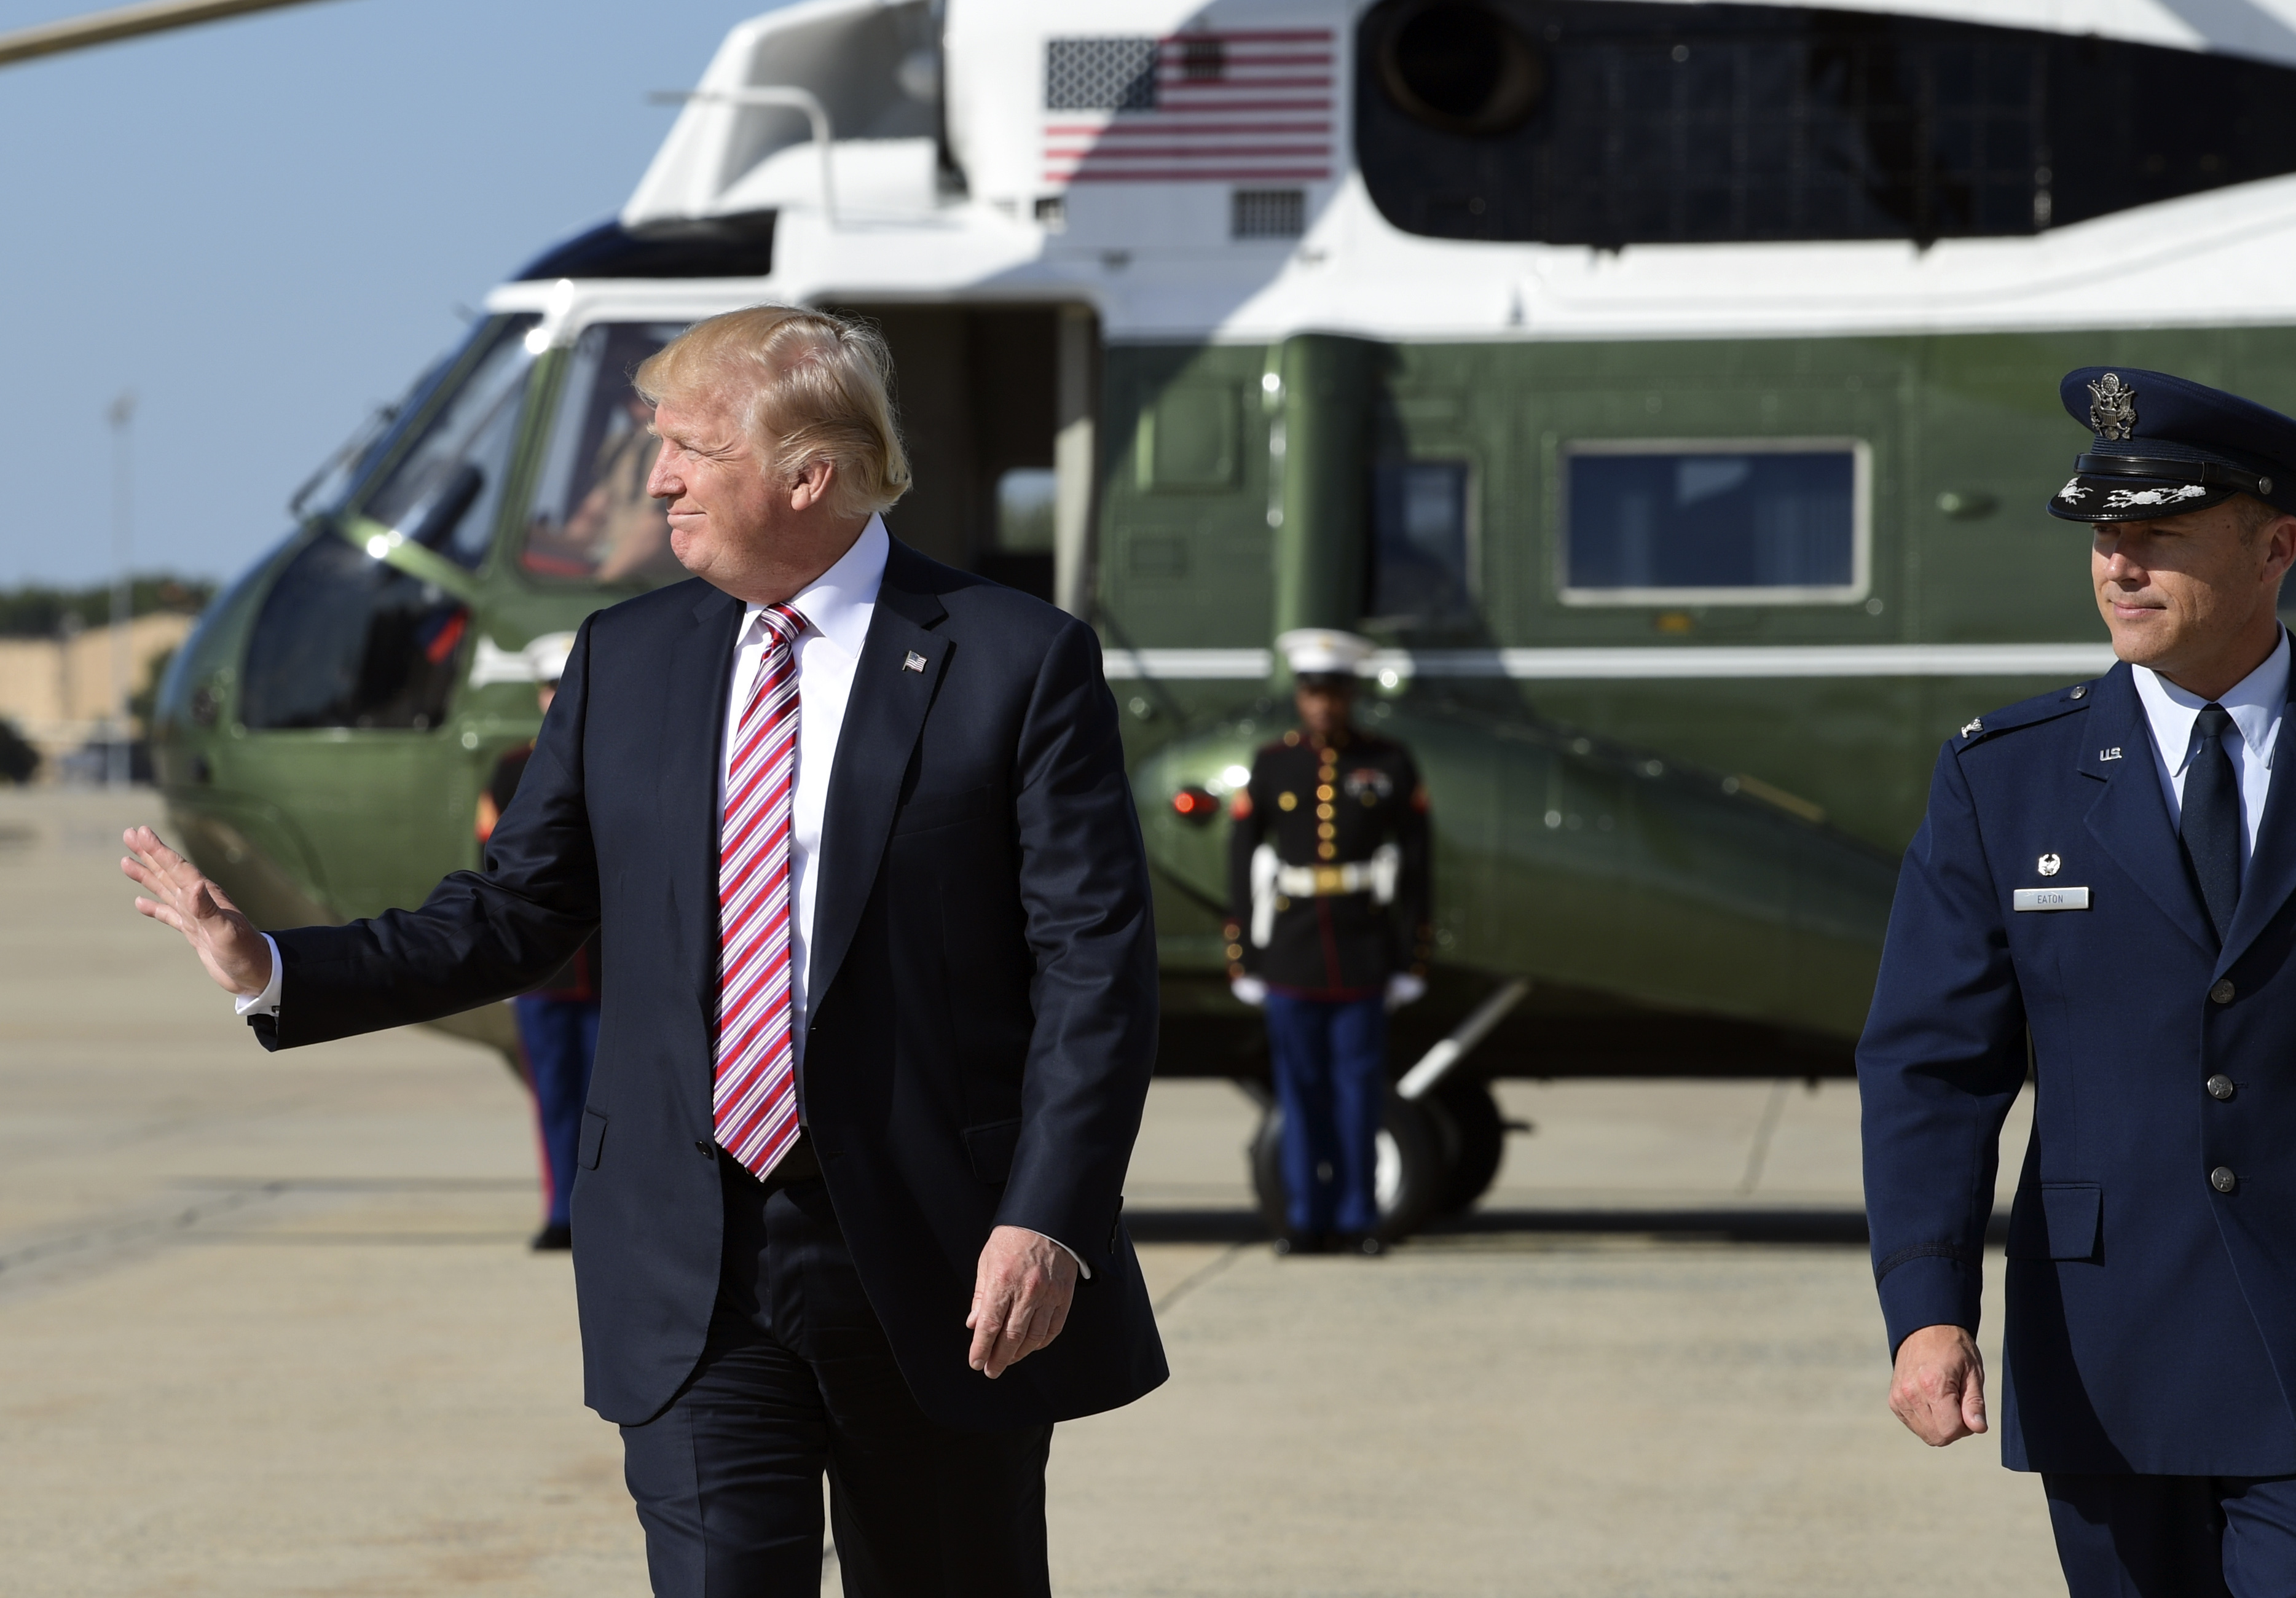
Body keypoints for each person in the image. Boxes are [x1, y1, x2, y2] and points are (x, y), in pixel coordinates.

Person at [122, 304, 1167, 1596]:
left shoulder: (1016, 660)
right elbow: (513, 911)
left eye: (690, 449)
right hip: (689, 1262)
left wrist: (1047, 1219)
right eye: (654, 446)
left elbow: (1092, 970)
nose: (657, 478)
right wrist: (276, 965)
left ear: (807, 475)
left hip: (943, 1257)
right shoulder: (628, 659)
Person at [1860, 366, 2296, 1596]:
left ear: (2275, 545)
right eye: (2105, 537)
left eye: (2156, 534)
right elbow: (1929, 1067)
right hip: (2112, 1349)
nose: (2118, 566)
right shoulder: (2006, 781)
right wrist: (1925, 1306)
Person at [1224, 629, 1431, 1256]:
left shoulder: (1389, 763)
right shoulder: (1273, 763)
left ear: (1351, 694)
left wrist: (1410, 956)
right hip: (1290, 955)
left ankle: (1356, 1218)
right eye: (1312, 691)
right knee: (1300, 1093)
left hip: (1362, 952)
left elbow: (1419, 866)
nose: (1322, 704)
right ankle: (1303, 1221)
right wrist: (1244, 955)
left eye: (1334, 691)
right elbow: (1241, 861)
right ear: (1300, 696)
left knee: (1357, 1097)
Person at [474, 632, 598, 1251]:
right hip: (545, 972)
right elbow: (496, 867)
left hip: (613, 969)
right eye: (549, 687)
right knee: (553, 1093)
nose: (557, 697)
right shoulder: (511, 770)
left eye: (566, 686)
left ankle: (607, 1213)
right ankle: (562, 1211)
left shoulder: (622, 756)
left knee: (619, 1102)